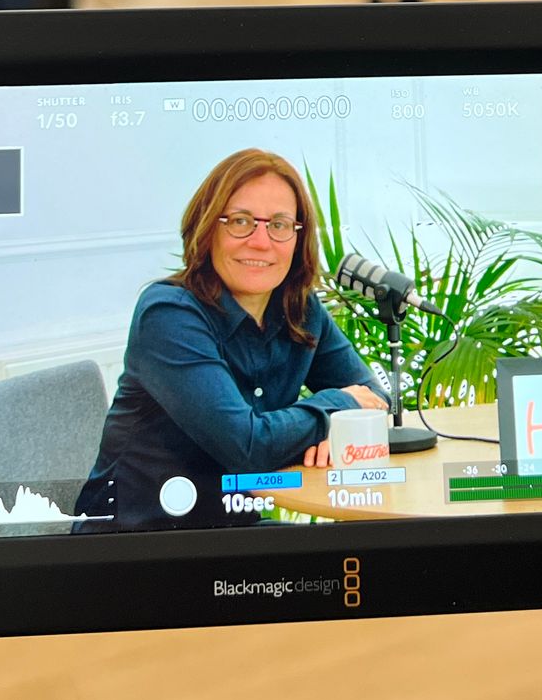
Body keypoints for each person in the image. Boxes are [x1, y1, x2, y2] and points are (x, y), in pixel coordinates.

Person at [74, 148, 389, 530]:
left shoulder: (300, 309)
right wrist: (337, 408)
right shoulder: (169, 315)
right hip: (138, 545)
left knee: (378, 551)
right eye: (240, 221)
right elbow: (248, 448)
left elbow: (373, 395)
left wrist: (336, 426)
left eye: (279, 224)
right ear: (208, 229)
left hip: (235, 532)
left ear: (298, 237)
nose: (260, 242)